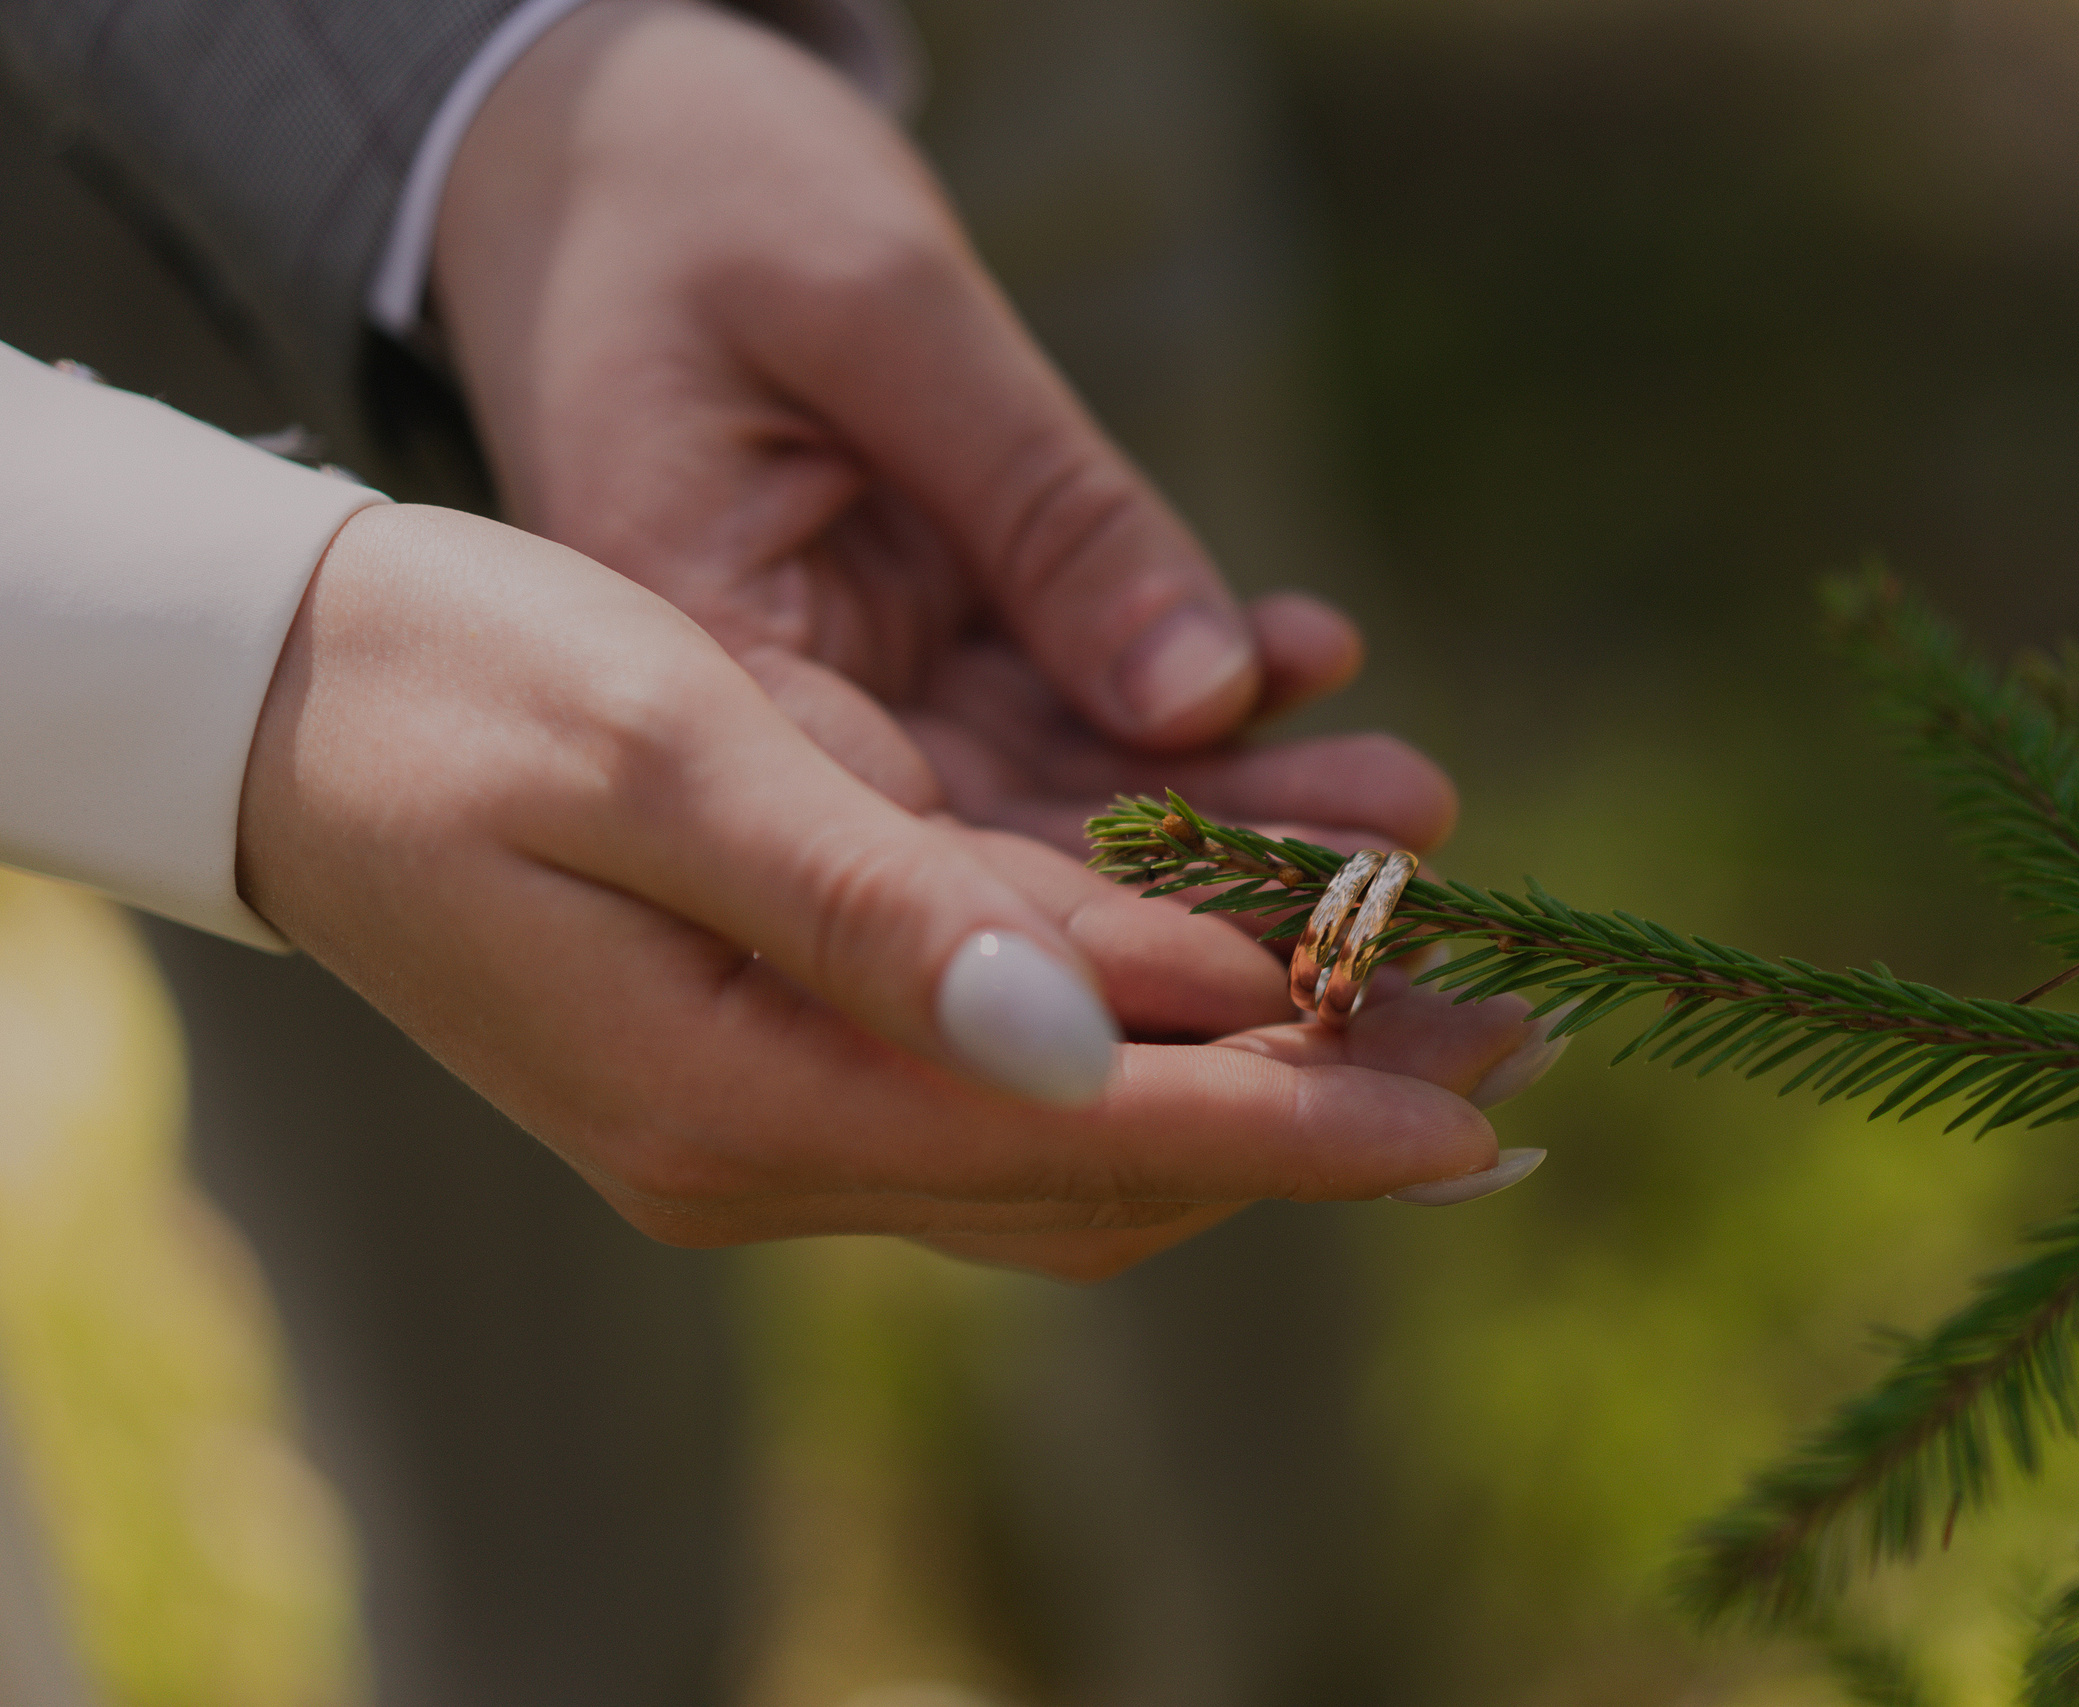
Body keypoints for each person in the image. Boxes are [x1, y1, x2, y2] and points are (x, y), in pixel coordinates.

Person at [0, 1, 1567, 1698]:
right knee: (526, 1467)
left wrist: (521, 103)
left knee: (1248, 1197)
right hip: (161, 206)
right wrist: (252, 661)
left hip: (984, 65)